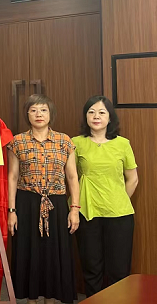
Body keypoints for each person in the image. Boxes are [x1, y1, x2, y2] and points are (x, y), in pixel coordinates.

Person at [7, 94, 80, 304]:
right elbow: (12, 177)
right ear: (27, 114)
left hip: (56, 205)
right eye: (33, 110)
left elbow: (72, 177)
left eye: (43, 110)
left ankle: (51, 299)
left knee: (53, 256)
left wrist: (74, 209)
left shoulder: (64, 141)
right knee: (28, 254)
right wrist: (12, 211)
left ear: (51, 114)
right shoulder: (17, 141)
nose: (38, 114)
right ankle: (31, 300)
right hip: (26, 204)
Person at [73, 96, 139, 298]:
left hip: (119, 214)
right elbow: (70, 177)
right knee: (91, 269)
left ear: (110, 118)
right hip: (87, 212)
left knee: (119, 270)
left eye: (102, 112)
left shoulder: (123, 144)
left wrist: (118, 199)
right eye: (91, 112)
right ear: (86, 116)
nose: (96, 116)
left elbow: (133, 179)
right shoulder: (76, 143)